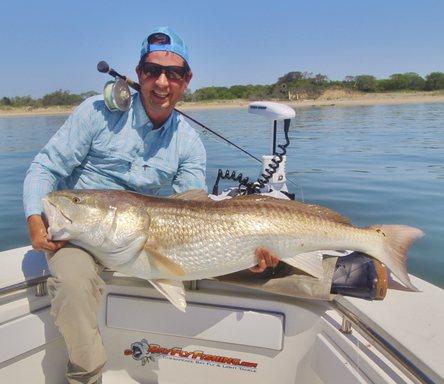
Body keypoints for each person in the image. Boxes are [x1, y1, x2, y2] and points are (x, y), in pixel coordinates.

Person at [23, 26, 386, 384]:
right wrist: (35, 219)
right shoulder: (96, 114)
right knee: (70, 280)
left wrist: (248, 252)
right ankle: (85, 378)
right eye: (152, 71)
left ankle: (341, 270)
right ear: (138, 74)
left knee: (241, 257)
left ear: (186, 80)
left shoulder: (189, 143)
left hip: (144, 234)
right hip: (87, 239)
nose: (162, 83)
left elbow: (192, 207)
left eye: (173, 74)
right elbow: (45, 168)